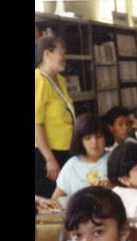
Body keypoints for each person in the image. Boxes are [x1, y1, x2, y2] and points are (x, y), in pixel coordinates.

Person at [35, 36, 75, 198]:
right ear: (47, 54)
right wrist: (49, 158)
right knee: (50, 202)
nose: (65, 57)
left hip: (66, 150)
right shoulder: (38, 80)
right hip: (47, 154)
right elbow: (36, 123)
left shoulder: (60, 80)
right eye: (61, 52)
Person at [52, 114, 111, 201]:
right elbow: (55, 199)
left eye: (98, 136)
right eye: (88, 138)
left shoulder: (115, 159)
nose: (94, 142)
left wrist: (112, 187)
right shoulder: (71, 166)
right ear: (80, 141)